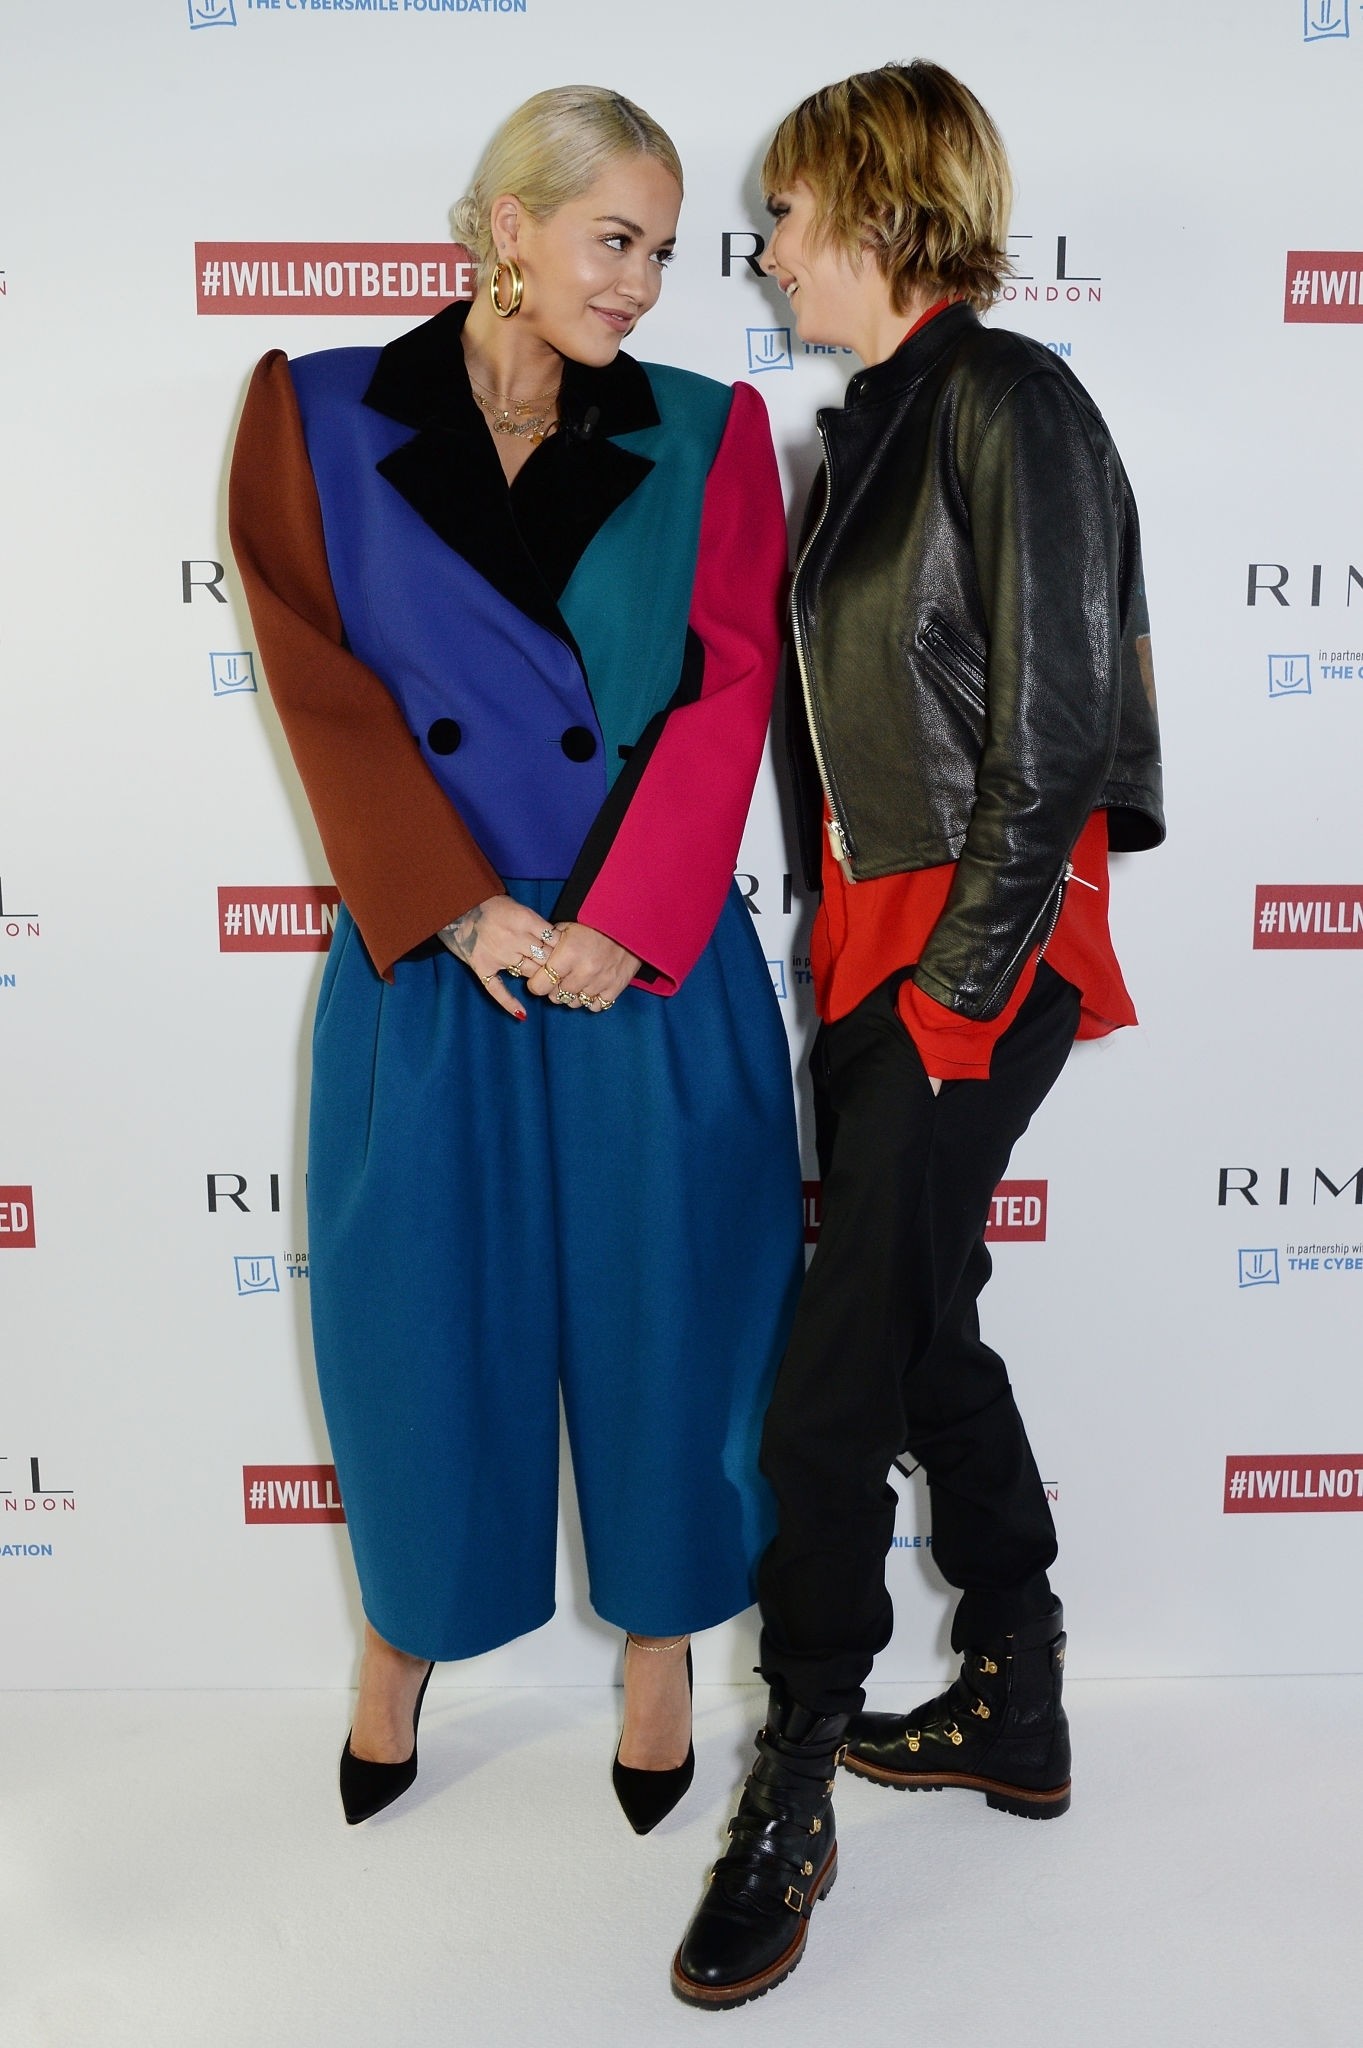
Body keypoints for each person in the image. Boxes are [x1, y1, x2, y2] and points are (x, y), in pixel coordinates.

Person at [228, 85, 802, 1836]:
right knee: (415, 1316)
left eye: (662, 250)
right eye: (612, 239)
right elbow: (317, 681)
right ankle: (399, 1642)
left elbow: (727, 686)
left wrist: (630, 917)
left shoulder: (708, 430)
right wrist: (456, 903)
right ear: (507, 228)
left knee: (674, 1309)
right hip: (435, 945)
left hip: (645, 949)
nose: (639, 283)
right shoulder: (315, 412)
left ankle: (664, 1651)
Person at [673, 60, 1164, 2005]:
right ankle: (1015, 1696)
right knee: (922, 1317)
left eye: (786, 215)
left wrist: (956, 995)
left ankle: (792, 1775)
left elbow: (1052, 733)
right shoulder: (872, 427)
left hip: (972, 955)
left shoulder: (1006, 399)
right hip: (879, 953)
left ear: (880, 213)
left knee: (832, 1372)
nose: (766, 251)